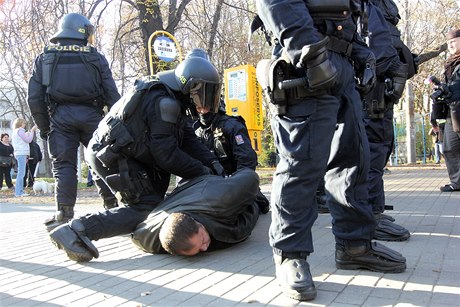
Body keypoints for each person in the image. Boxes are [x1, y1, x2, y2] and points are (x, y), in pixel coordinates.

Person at [255, 0, 406, 301]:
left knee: (353, 159)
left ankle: (354, 244)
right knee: (301, 164)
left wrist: (363, 55)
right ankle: (289, 253)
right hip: (306, 63)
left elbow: (347, 17)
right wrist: (308, 52)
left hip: (343, 65)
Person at [48, 56, 226, 262]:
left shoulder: (171, 97)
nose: (204, 100)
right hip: (112, 156)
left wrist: (213, 164)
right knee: (145, 209)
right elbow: (167, 156)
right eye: (202, 93)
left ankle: (107, 223)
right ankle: (75, 230)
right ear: (190, 86)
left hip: (118, 153)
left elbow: (186, 139)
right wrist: (203, 172)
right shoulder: (165, 102)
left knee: (149, 204)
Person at [27, 13, 121, 231]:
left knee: (64, 166)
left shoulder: (46, 57)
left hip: (60, 119)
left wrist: (44, 126)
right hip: (93, 117)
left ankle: (64, 213)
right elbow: (112, 93)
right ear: (82, 31)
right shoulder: (95, 57)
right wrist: (114, 122)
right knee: (101, 161)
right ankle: (112, 205)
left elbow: (34, 97)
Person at [132, 168, 260, 255]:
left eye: (203, 240)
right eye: (198, 250)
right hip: (188, 191)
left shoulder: (223, 200)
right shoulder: (148, 238)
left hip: (215, 187)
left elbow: (250, 176)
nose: (205, 248)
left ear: (199, 224)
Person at [430, 28, 460, 192]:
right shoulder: (450, 63)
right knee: (449, 147)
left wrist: (447, 89)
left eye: (453, 41)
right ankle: (457, 182)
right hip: (452, 111)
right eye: (448, 42)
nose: (450, 45)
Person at [11, 118, 37, 197]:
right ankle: (19, 192)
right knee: (21, 173)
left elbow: (23, 139)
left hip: (19, 153)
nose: (25, 125)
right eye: (24, 123)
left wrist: (28, 134)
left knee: (21, 173)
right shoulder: (20, 130)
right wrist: (32, 131)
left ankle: (19, 191)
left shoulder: (15, 131)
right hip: (21, 153)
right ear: (20, 124)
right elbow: (28, 140)